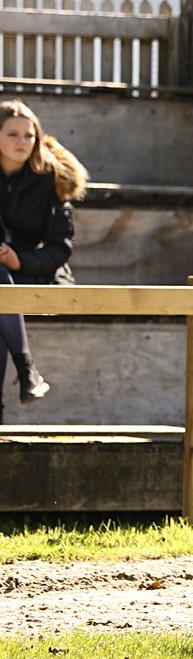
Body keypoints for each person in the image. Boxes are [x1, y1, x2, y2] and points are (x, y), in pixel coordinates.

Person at [0, 99, 88, 424]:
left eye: (29, 135)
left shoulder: (52, 179)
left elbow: (60, 248)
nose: (22, 142)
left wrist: (19, 262)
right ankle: (28, 372)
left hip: (37, 272)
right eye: (13, 134)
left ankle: (24, 374)